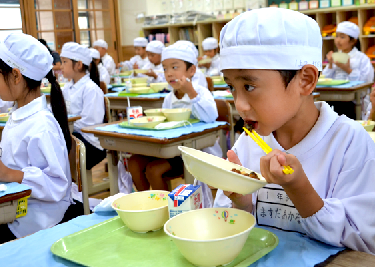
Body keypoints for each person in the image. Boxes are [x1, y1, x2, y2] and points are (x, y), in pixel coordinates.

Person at [214, 8, 375, 254]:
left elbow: (365, 242)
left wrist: (299, 188)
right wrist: (242, 202)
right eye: (231, 87)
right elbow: (226, 225)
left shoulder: (349, 143)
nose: (239, 105)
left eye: (249, 86)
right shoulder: (249, 142)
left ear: (306, 80)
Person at [0, 33, 72, 250]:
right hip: (15, 206)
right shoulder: (19, 115)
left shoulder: (42, 125)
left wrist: (10, 174)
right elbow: (16, 163)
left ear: (16, 76)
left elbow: (57, 184)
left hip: (37, 219)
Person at [128, 41, 218, 193]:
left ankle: (166, 211)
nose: (169, 73)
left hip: (195, 151)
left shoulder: (201, 92)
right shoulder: (169, 98)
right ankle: (148, 203)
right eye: (165, 69)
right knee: (134, 163)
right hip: (172, 148)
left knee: (153, 170)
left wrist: (192, 94)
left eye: (175, 67)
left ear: (192, 70)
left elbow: (211, 117)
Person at [60, 42, 106, 170]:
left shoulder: (91, 89)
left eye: (64, 62)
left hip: (90, 143)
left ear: (79, 65)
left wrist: (66, 125)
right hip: (74, 136)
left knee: (57, 148)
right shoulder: (67, 87)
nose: (61, 66)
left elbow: (90, 124)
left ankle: (73, 188)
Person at [322, 21, 374, 119]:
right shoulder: (335, 56)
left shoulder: (362, 58)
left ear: (353, 41)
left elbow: (367, 81)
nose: (337, 40)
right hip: (334, 97)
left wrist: (347, 69)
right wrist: (330, 64)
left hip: (353, 101)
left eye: (342, 37)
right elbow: (326, 79)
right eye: (336, 36)